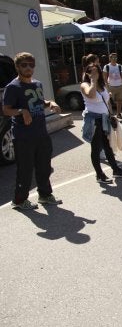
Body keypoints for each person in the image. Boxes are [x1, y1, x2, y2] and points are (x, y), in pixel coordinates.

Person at [2, 52, 62, 210]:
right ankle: (19, 200)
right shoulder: (13, 87)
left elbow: (39, 102)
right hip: (23, 136)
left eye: (31, 64)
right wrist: (22, 111)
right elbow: (6, 110)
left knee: (44, 166)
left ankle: (45, 195)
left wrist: (51, 103)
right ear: (17, 67)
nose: (28, 67)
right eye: (24, 65)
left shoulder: (37, 84)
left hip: (41, 133)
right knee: (25, 169)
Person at [80, 63, 122, 183]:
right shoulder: (85, 85)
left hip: (104, 118)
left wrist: (111, 115)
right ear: (87, 73)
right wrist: (93, 81)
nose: (94, 74)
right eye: (91, 72)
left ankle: (116, 170)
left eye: (96, 71)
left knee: (107, 147)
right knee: (96, 148)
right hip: (93, 120)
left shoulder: (102, 85)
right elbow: (90, 95)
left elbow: (106, 102)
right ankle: (99, 175)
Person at [103, 53, 122, 119]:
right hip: (110, 86)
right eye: (112, 57)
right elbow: (104, 77)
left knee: (119, 101)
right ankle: (110, 114)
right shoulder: (107, 66)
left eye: (115, 57)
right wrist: (107, 85)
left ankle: (119, 113)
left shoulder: (120, 66)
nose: (114, 59)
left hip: (119, 86)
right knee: (109, 101)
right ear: (110, 58)